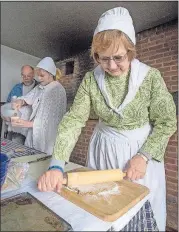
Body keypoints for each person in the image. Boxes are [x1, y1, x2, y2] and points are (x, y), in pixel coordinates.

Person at [37, 7, 177, 231]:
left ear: (130, 52)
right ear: (96, 57)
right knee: (102, 211)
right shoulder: (91, 81)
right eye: (104, 59)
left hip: (140, 155)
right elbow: (73, 121)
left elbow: (167, 121)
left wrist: (144, 156)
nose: (111, 66)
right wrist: (56, 164)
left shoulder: (150, 78)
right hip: (103, 150)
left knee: (136, 214)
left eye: (119, 57)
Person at [11, 57, 67, 155]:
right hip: (33, 134)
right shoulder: (39, 87)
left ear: (51, 74)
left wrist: (30, 124)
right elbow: (29, 97)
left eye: (42, 75)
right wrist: (21, 101)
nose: (39, 78)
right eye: (38, 75)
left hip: (47, 139)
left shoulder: (58, 90)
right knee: (29, 159)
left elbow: (55, 121)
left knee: (42, 163)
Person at [1, 65, 38, 144]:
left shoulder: (39, 88)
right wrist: (6, 115)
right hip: (15, 127)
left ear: (33, 74)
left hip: (31, 128)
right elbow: (8, 104)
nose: (26, 78)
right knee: (14, 146)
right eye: (23, 75)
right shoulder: (16, 88)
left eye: (28, 75)